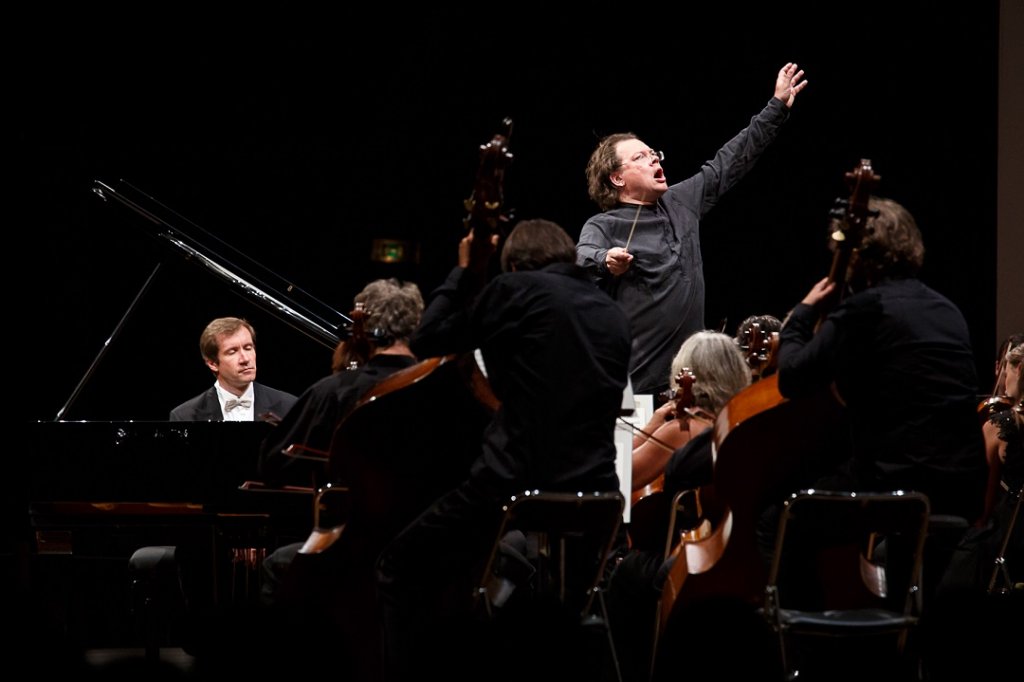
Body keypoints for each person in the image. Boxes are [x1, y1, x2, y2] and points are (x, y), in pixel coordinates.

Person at [375, 218, 632, 682]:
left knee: (397, 566)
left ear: (513, 263)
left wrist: (466, 272)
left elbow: (428, 338)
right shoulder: (611, 311)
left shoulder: (513, 289)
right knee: (564, 612)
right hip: (597, 496)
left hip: (516, 483)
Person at [576, 63, 808, 396]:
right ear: (617, 178)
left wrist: (776, 106)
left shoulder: (680, 201)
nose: (655, 160)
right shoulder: (603, 225)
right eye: (641, 157)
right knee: (636, 451)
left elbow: (731, 160)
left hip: (690, 383)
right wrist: (605, 259)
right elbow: (580, 256)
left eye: (654, 154)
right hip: (636, 388)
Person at [775, 197, 988, 523]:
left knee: (779, 519)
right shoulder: (948, 310)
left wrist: (804, 313)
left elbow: (791, 377)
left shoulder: (865, 310)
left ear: (856, 256)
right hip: (962, 489)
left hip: (895, 486)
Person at [607, 330, 753, 682]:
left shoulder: (684, 429)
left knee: (620, 571)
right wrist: (657, 425)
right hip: (727, 553)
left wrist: (656, 426)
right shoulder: (738, 426)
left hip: (672, 559)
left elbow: (620, 476)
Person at [257, 279, 425, 489]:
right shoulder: (442, 390)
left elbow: (273, 462)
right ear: (417, 324)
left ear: (363, 325)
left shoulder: (334, 391)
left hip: (351, 518)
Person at [169, 316, 297, 422]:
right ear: (213, 363)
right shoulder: (185, 416)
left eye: (248, 348)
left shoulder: (289, 406)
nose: (245, 359)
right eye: (232, 351)